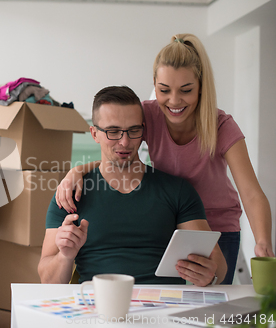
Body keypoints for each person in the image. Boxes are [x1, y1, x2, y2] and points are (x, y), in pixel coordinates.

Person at [55, 34, 274, 284]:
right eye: (164, 90)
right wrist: (77, 171)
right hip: (173, 219)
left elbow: (252, 193)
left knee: (213, 305)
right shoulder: (149, 115)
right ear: (154, 85)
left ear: (201, 87)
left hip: (216, 227)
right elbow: (119, 152)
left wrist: (263, 241)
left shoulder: (221, 126)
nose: (174, 100)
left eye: (186, 90)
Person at [38, 86, 227, 286]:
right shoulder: (70, 194)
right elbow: (47, 281)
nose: (125, 141)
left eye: (133, 130)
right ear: (94, 134)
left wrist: (210, 274)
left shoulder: (177, 191)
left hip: (163, 308)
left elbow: (218, 264)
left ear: (143, 130)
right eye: (113, 131)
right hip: (98, 307)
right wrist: (65, 257)